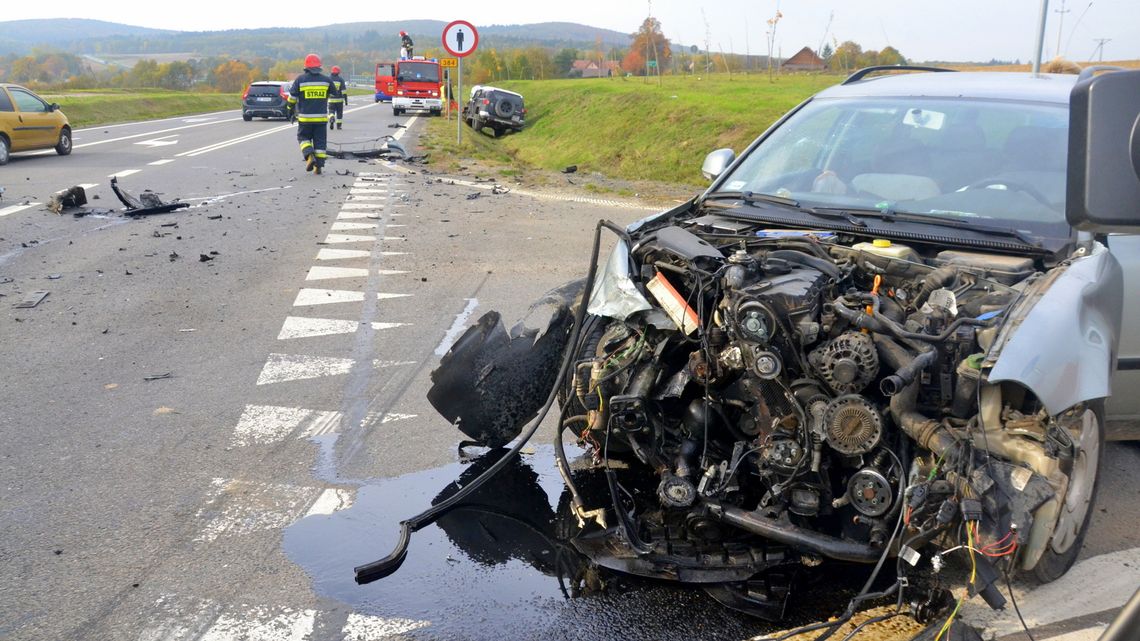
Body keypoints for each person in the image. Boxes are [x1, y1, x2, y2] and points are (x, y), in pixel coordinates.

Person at [287, 53, 339, 175]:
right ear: (319, 66)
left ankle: (309, 155)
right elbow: (335, 93)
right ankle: (318, 167)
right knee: (320, 143)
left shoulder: (300, 80)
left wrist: (290, 110)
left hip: (305, 119)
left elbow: (292, 98)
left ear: (306, 67)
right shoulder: (326, 80)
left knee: (303, 138)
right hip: (321, 119)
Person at [328, 65, 347, 130]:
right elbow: (344, 91)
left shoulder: (328, 79)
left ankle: (331, 118)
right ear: (339, 72)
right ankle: (339, 126)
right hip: (339, 100)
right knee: (339, 113)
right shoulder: (341, 79)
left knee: (331, 111)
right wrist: (346, 100)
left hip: (331, 100)